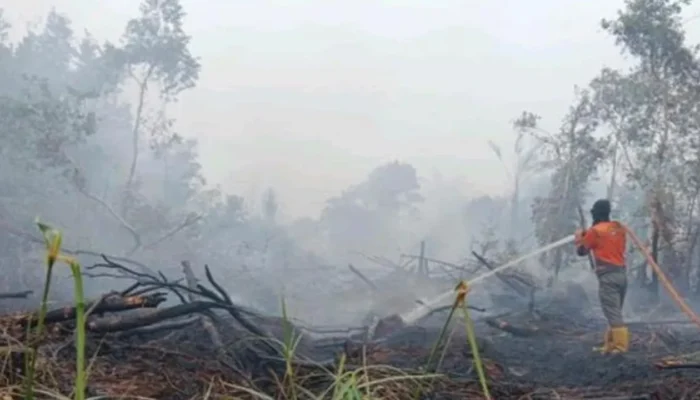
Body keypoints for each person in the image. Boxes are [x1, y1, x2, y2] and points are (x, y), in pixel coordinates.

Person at [574, 199, 629, 354]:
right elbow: (607, 240)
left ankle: (620, 347)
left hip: (608, 276)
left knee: (612, 312)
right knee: (614, 311)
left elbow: (582, 251)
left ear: (595, 213)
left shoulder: (595, 231)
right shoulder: (619, 228)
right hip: (622, 275)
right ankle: (609, 345)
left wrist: (579, 238)